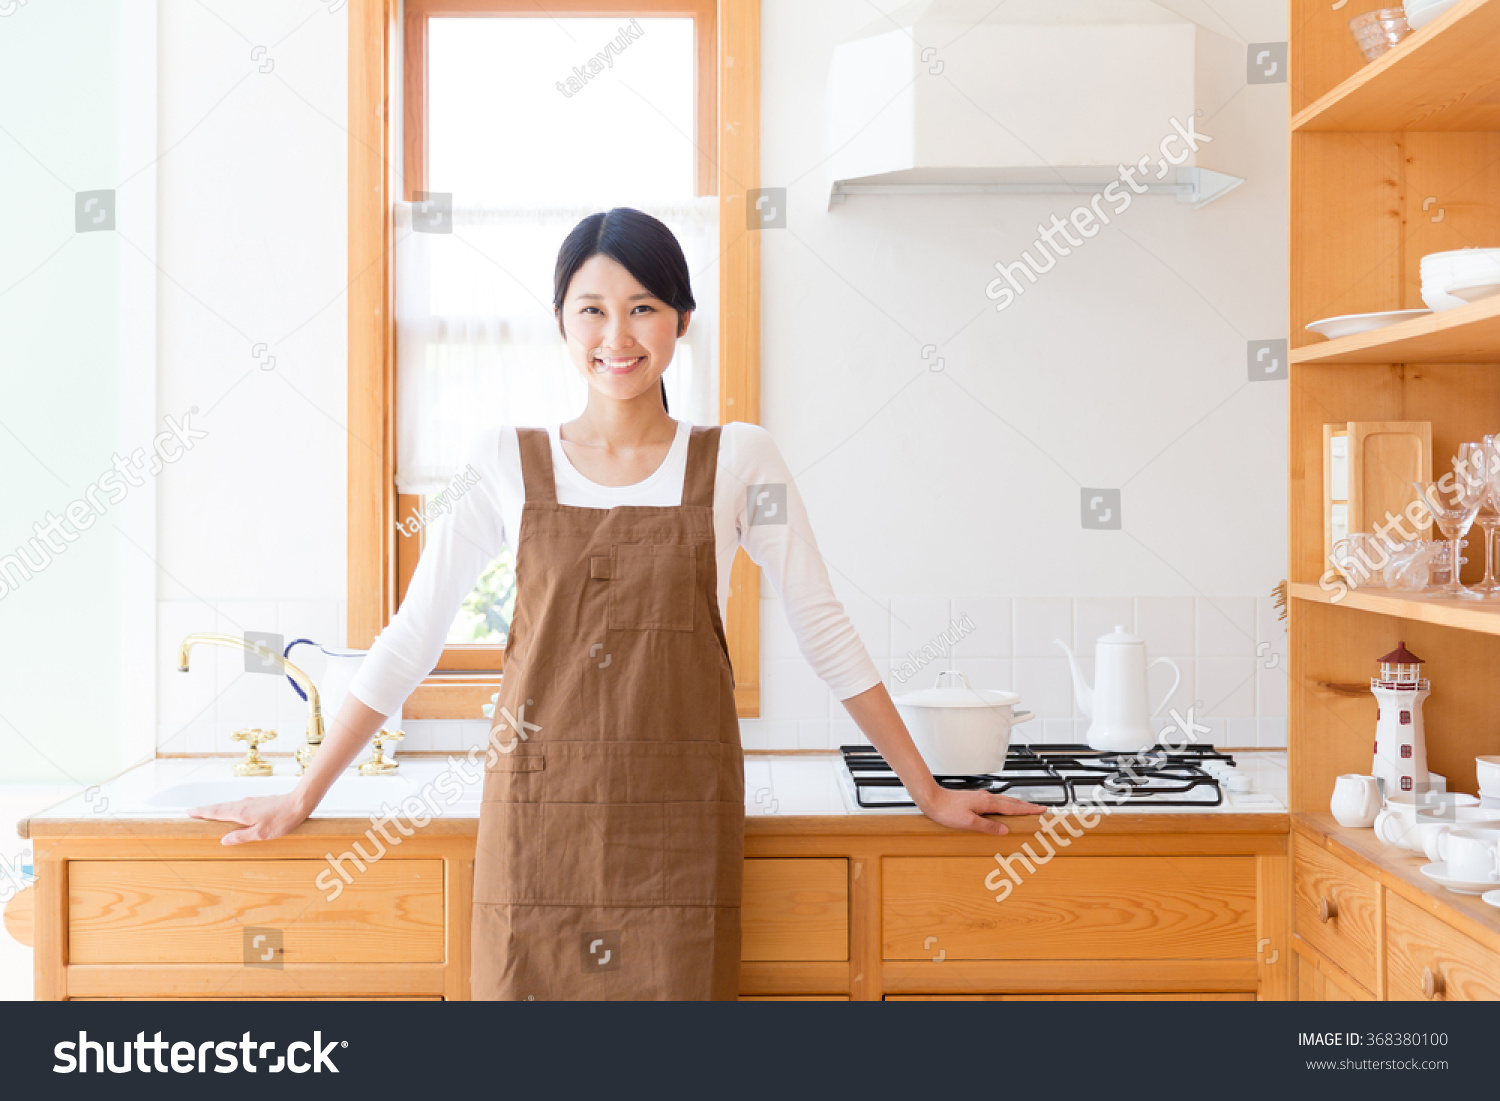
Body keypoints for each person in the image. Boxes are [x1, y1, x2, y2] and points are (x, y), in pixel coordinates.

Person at [190, 207, 1043, 999]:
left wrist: (926, 790)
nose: (617, 335)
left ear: (680, 319)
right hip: (537, 830)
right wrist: (304, 794)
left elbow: (821, 627)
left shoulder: (742, 460)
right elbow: (412, 637)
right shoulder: (503, 460)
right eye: (592, 309)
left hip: (678, 832)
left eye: (643, 308)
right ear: (561, 321)